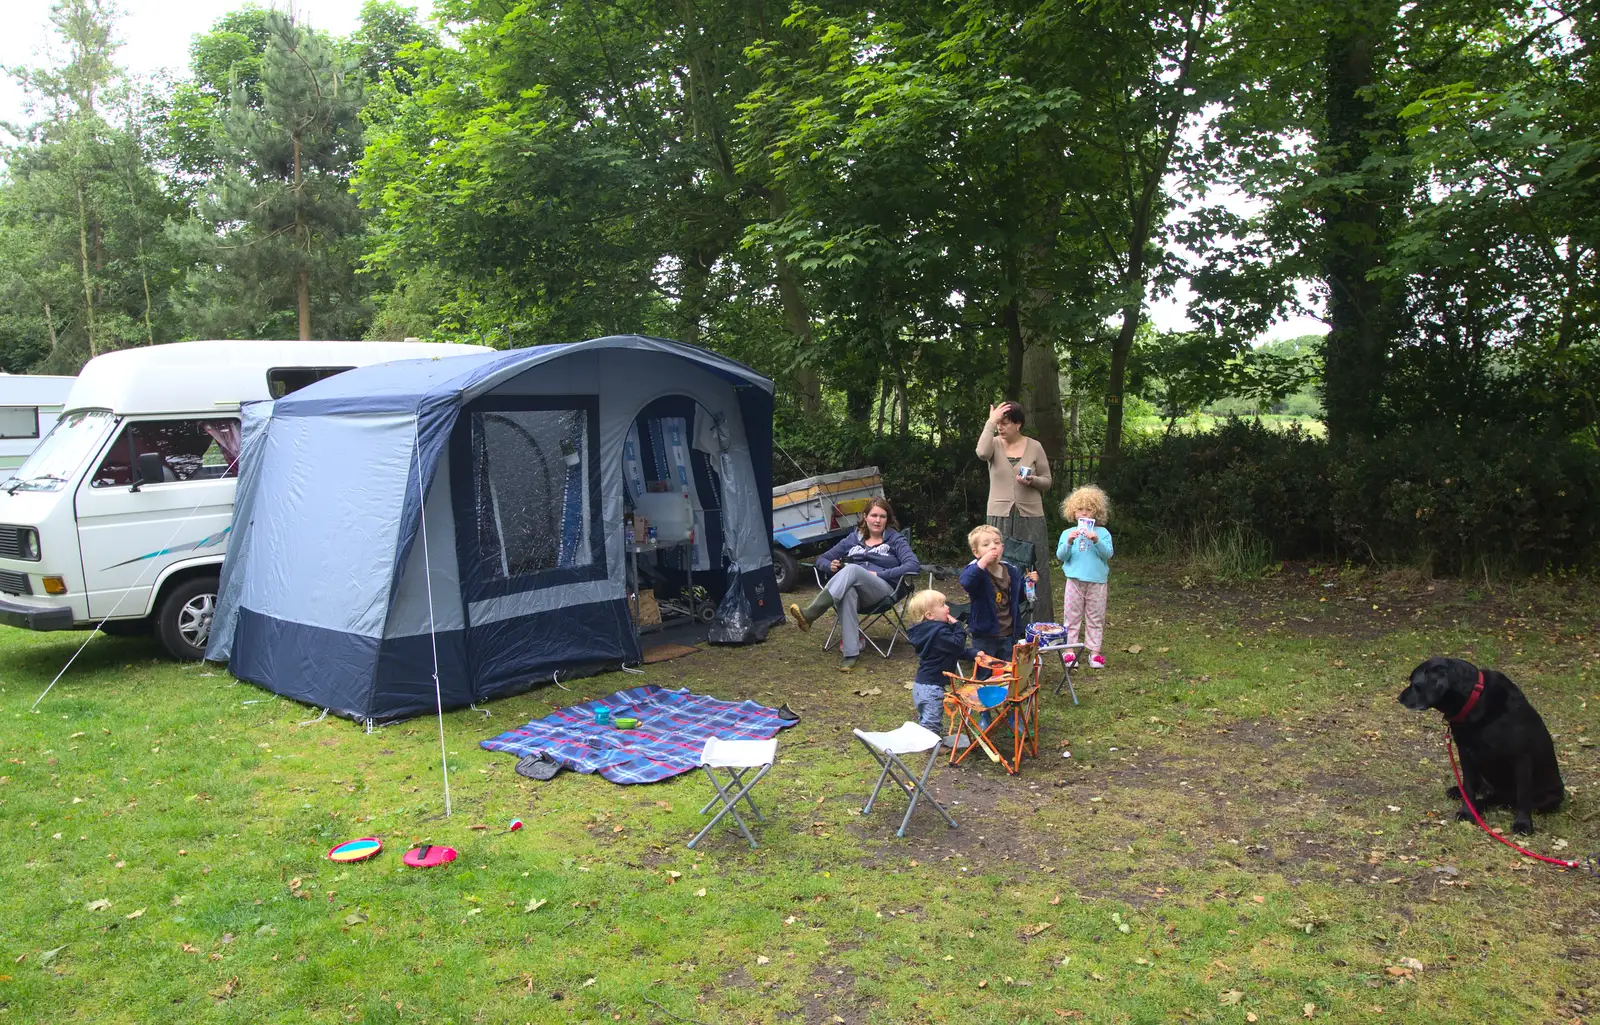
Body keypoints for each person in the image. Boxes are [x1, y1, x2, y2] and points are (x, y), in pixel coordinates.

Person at [788, 497, 921, 672]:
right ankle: (851, 654)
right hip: (858, 593)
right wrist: (831, 566)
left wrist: (880, 574)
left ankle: (812, 613)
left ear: (887, 519)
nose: (877, 520)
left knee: (851, 569)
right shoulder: (853, 539)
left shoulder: (895, 540)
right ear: (865, 517)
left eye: (882, 516)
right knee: (848, 590)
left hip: (883, 590)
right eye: (874, 515)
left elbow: (913, 565)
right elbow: (822, 559)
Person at [976, 401, 1053, 624]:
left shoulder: (1035, 446)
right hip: (999, 513)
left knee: (1034, 567)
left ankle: (1038, 622)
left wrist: (1032, 480)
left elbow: (1047, 481)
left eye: (1005, 423)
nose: (1000, 427)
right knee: (997, 564)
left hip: (1031, 515)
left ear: (1018, 424)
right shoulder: (992, 444)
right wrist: (990, 422)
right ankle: (1000, 621)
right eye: (998, 423)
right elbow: (981, 453)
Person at [958, 525, 1034, 675]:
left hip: (1008, 632)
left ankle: (1005, 695)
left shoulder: (1010, 570)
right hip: (985, 633)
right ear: (976, 552)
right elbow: (966, 582)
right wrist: (982, 562)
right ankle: (984, 694)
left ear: (1002, 547)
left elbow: (1019, 598)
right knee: (985, 672)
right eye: (986, 545)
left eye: (997, 543)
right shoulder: (976, 570)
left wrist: (1030, 583)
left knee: (1006, 671)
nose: (993, 547)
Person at [905, 589, 977, 742]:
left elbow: (952, 651)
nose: (948, 608)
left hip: (922, 684)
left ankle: (929, 736)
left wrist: (974, 654)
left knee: (928, 716)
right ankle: (930, 745)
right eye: (943, 605)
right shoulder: (939, 633)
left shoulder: (931, 632)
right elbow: (957, 645)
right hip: (932, 687)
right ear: (930, 615)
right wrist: (958, 626)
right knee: (931, 719)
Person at [1055, 485, 1114, 669]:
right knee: (1071, 617)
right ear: (1073, 512)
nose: (1084, 513)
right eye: (1080, 509)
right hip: (1074, 581)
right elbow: (1061, 556)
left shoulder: (1102, 533)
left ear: (1096, 512)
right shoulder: (1067, 534)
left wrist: (1096, 540)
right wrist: (1069, 542)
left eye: (1089, 510)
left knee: (1095, 617)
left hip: (1097, 582)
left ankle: (1094, 653)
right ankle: (1069, 651)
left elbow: (1108, 554)